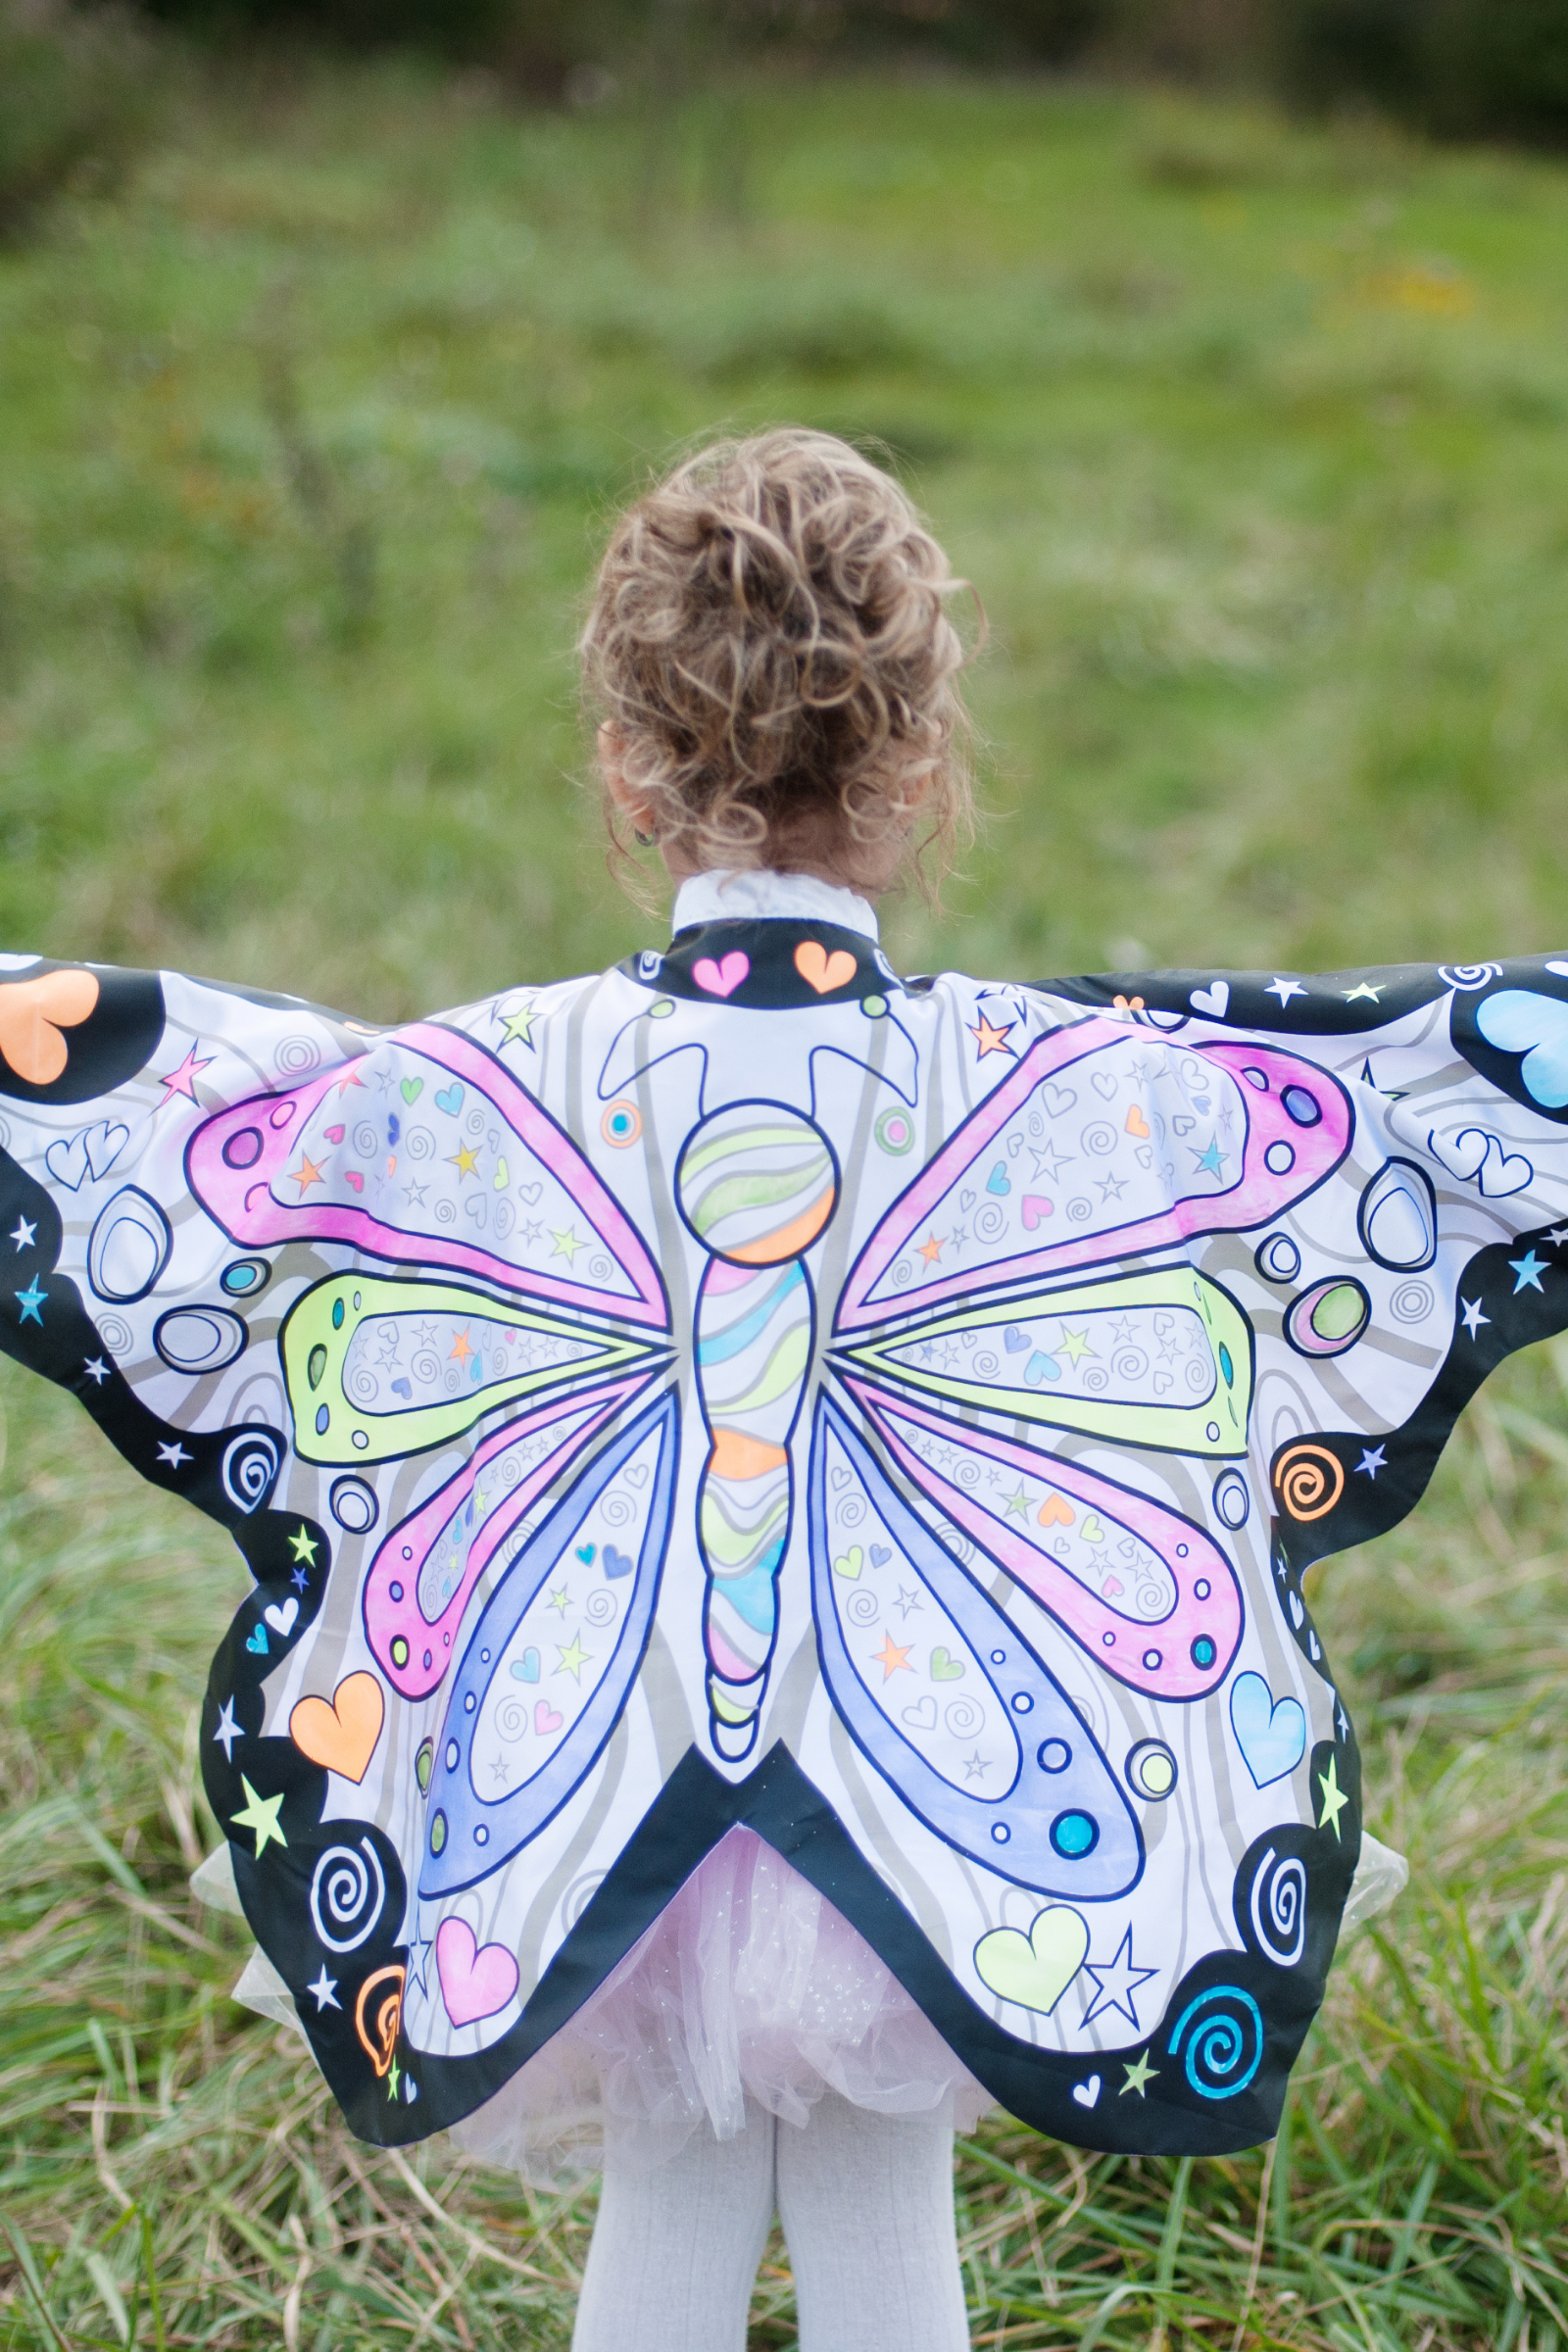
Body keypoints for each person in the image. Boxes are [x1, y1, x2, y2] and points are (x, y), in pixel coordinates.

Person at [2, 427, 1563, 2352]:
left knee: (664, 2200)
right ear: (914, 771)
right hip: (926, 1758)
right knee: (874, 2198)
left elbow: (171, 1122)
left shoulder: (479, 1087)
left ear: (624, 768)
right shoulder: (1063, 1087)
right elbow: (1401, 1099)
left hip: (593, 1757)